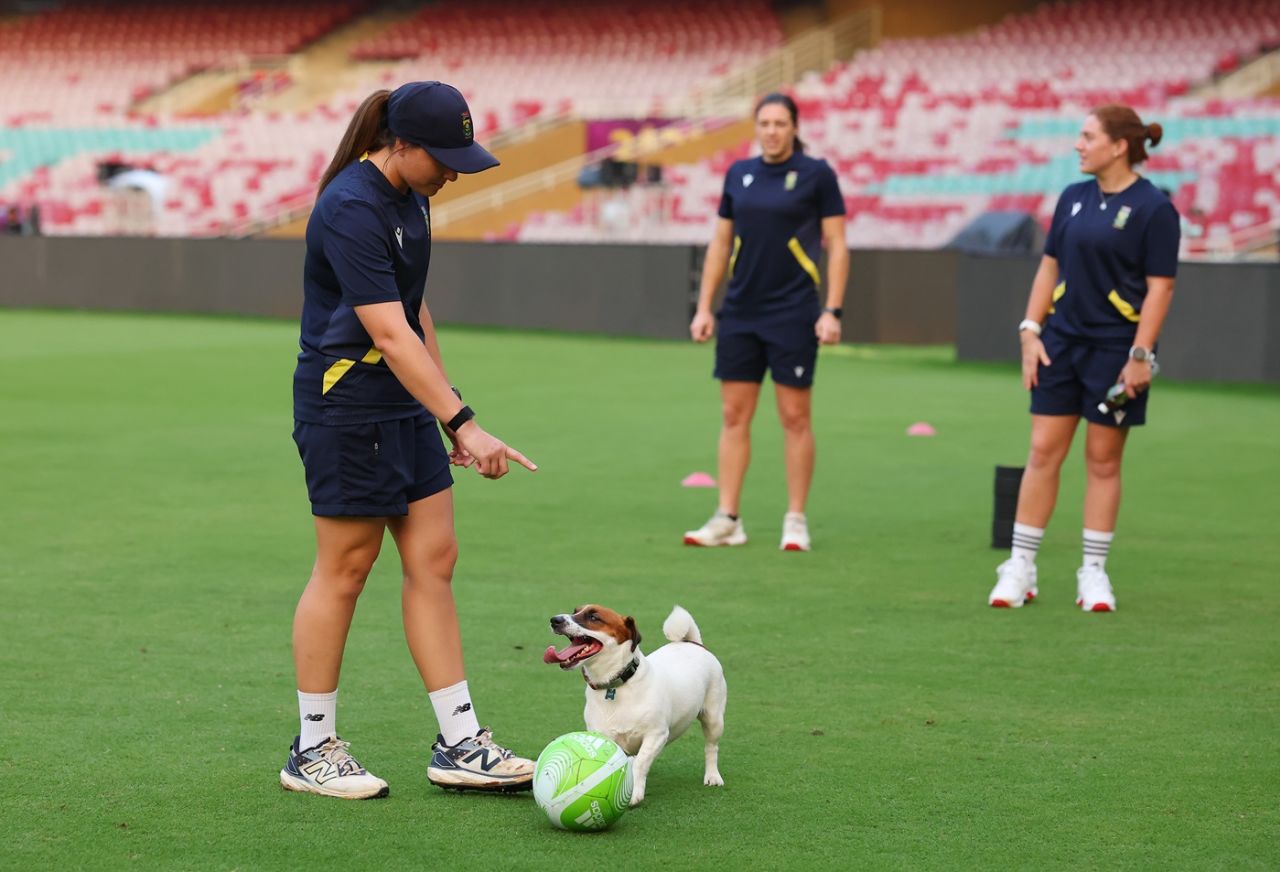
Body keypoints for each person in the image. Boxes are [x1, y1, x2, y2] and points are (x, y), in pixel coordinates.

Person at [282, 81, 539, 800]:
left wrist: (445, 407)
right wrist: (465, 424)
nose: (454, 172)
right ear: (404, 144)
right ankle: (311, 748)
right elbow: (386, 333)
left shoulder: (413, 198)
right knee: (347, 569)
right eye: (446, 158)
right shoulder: (351, 206)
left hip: (402, 404)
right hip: (347, 405)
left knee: (435, 557)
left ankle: (460, 741)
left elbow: (414, 308)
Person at [988, 104, 1180, 613]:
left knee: (1102, 460)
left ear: (1118, 145)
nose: (1077, 144)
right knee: (1043, 452)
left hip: (1116, 352)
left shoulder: (1153, 208)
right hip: (1061, 345)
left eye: (1087, 135)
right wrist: (1031, 332)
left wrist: (1141, 355)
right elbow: (1048, 267)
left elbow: (1161, 288)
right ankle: (1019, 567)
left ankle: (1093, 573)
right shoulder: (1072, 198)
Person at [684, 92, 848, 552]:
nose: (772, 131)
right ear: (756, 128)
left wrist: (831, 309)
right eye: (765, 123)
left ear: (794, 127)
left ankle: (795, 518)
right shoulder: (740, 174)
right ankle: (728, 518)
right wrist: (704, 307)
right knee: (733, 415)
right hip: (740, 312)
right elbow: (720, 244)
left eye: (780, 123)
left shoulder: (818, 175)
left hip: (794, 313)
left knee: (795, 418)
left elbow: (837, 244)